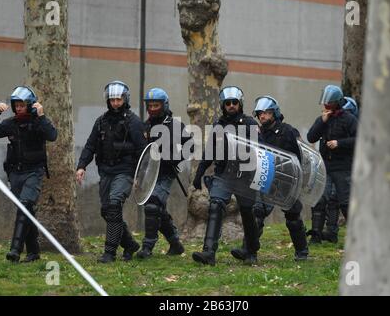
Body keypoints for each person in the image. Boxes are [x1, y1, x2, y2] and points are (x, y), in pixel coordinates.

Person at [231, 96, 309, 261]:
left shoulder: (289, 131)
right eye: (259, 113)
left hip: (286, 181)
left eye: (266, 113)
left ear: (274, 113)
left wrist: (299, 178)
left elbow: (303, 156)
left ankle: (302, 252)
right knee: (257, 213)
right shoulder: (257, 133)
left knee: (293, 216)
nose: (262, 116)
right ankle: (249, 252)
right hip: (265, 178)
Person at [76, 81, 146, 263]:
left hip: (125, 172)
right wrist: (81, 166)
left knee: (114, 205)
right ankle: (130, 244)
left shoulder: (134, 122)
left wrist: (139, 176)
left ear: (125, 99)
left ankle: (110, 252)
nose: (115, 103)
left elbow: (143, 153)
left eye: (118, 99)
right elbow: (90, 146)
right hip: (106, 172)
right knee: (107, 211)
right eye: (112, 99)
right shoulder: (101, 122)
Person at [0, 86, 57, 263]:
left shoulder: (38, 122)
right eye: (16, 105)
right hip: (15, 173)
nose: (18, 108)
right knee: (27, 211)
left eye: (22, 105)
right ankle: (33, 252)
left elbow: (52, 135)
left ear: (30, 105)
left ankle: (15, 250)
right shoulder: (11, 123)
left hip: (34, 172)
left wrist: (41, 116)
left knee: (25, 205)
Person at [192, 86, 260, 266]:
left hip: (245, 176)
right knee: (215, 205)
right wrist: (199, 173)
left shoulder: (250, 124)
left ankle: (251, 251)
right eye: (227, 103)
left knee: (247, 212)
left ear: (240, 104)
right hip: (223, 174)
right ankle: (208, 253)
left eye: (234, 102)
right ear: (223, 105)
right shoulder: (218, 125)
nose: (231, 106)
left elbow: (260, 152)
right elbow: (210, 151)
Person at [136, 88, 192, 259]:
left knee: (153, 205)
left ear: (164, 105)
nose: (153, 108)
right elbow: (139, 153)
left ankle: (147, 247)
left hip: (166, 174)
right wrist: (136, 176)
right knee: (157, 210)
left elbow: (190, 145)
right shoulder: (144, 126)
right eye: (150, 105)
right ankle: (175, 244)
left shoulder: (175, 125)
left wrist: (175, 159)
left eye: (156, 105)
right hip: (147, 175)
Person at [307, 85, 357, 244]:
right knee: (320, 200)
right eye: (325, 103)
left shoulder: (349, 119)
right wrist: (322, 122)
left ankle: (355, 236)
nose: (326, 106)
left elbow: (359, 139)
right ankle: (316, 235)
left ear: (337, 102)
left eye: (329, 103)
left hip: (343, 168)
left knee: (345, 202)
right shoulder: (323, 118)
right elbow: (311, 137)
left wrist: (339, 143)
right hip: (325, 167)